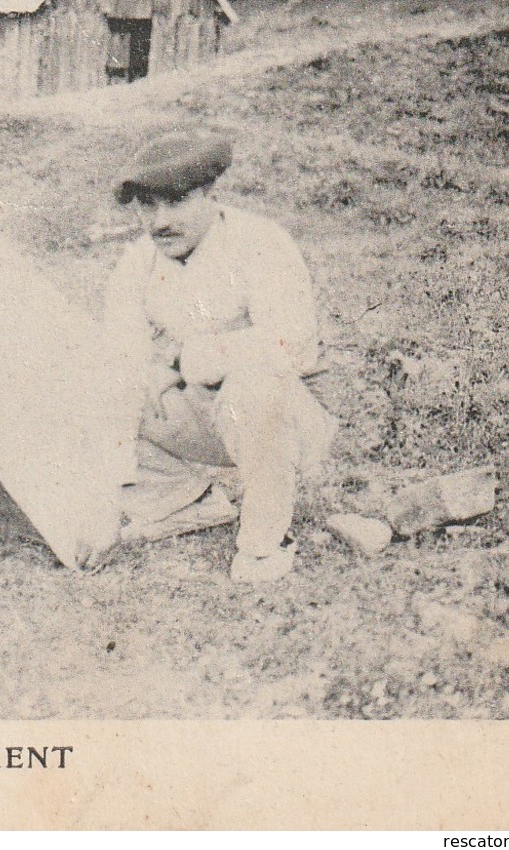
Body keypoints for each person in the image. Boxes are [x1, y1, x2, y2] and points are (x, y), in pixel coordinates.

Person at [103, 129, 336, 583]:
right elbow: (120, 349)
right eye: (148, 205)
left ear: (210, 193)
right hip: (206, 416)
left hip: (291, 415)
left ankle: (266, 545)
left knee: (253, 386)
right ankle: (185, 503)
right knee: (105, 387)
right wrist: (143, 371)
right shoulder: (139, 262)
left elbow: (291, 346)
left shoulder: (260, 243)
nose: (159, 221)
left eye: (176, 202)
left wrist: (178, 360)